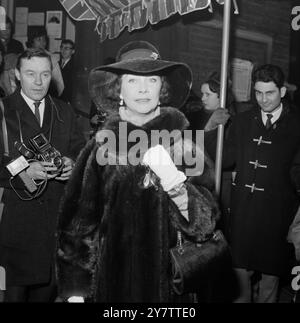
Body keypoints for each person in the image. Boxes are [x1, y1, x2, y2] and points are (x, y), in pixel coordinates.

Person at [56, 40, 222, 302]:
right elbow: (77, 227)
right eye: (132, 81)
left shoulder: (183, 145)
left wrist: (176, 183)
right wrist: (75, 290)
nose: (143, 89)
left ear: (162, 89)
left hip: (169, 287)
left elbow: (206, 224)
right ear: (118, 90)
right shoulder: (102, 147)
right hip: (112, 284)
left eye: (152, 80)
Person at [0, 48, 86, 302]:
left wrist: (73, 163)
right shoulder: (3, 110)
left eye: (45, 74)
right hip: (13, 229)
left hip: (53, 231)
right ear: (17, 75)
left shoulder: (65, 111)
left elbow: (80, 150)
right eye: (30, 74)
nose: (38, 82)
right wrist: (22, 169)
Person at [223, 64, 300, 302]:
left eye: (269, 93)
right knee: (239, 280)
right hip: (244, 210)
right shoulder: (242, 121)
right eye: (258, 93)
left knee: (270, 280)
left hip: (276, 212)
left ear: (282, 92)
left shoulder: (297, 124)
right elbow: (226, 158)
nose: (263, 99)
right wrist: (213, 129)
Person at [183, 74, 233, 237]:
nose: (203, 98)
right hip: (194, 175)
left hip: (217, 180)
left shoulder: (229, 122)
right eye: (202, 93)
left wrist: (211, 128)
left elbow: (224, 158)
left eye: (208, 94)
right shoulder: (195, 116)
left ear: (221, 97)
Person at [26, 26, 64, 97]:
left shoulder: (52, 58)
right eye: (39, 40)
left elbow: (59, 84)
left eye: (44, 40)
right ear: (32, 41)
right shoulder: (24, 57)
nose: (42, 43)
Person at [59, 39, 75, 104]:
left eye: (67, 48)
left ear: (73, 51)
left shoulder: (75, 66)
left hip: (68, 101)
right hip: (58, 99)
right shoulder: (56, 64)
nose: (63, 50)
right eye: (62, 47)